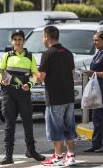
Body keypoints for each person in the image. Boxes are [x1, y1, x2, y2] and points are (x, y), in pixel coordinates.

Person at [0, 29, 45, 165]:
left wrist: (29, 84)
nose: (17, 42)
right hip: (9, 94)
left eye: (20, 39)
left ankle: (31, 151)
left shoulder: (30, 57)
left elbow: (36, 75)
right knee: (9, 124)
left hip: (24, 93)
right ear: (12, 41)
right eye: (15, 39)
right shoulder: (6, 56)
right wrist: (2, 80)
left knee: (28, 123)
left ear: (23, 41)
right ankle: (8, 155)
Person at [37, 26, 78, 166]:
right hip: (69, 96)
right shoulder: (68, 53)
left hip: (54, 97)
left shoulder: (47, 54)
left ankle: (58, 156)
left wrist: (34, 74)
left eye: (43, 36)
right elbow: (72, 73)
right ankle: (71, 156)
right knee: (69, 127)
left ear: (47, 37)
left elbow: (41, 77)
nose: (43, 39)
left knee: (56, 128)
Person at [83, 30, 103, 153]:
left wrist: (94, 73)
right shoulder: (98, 53)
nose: (95, 42)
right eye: (94, 40)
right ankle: (96, 143)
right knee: (96, 117)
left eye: (97, 40)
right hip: (96, 88)